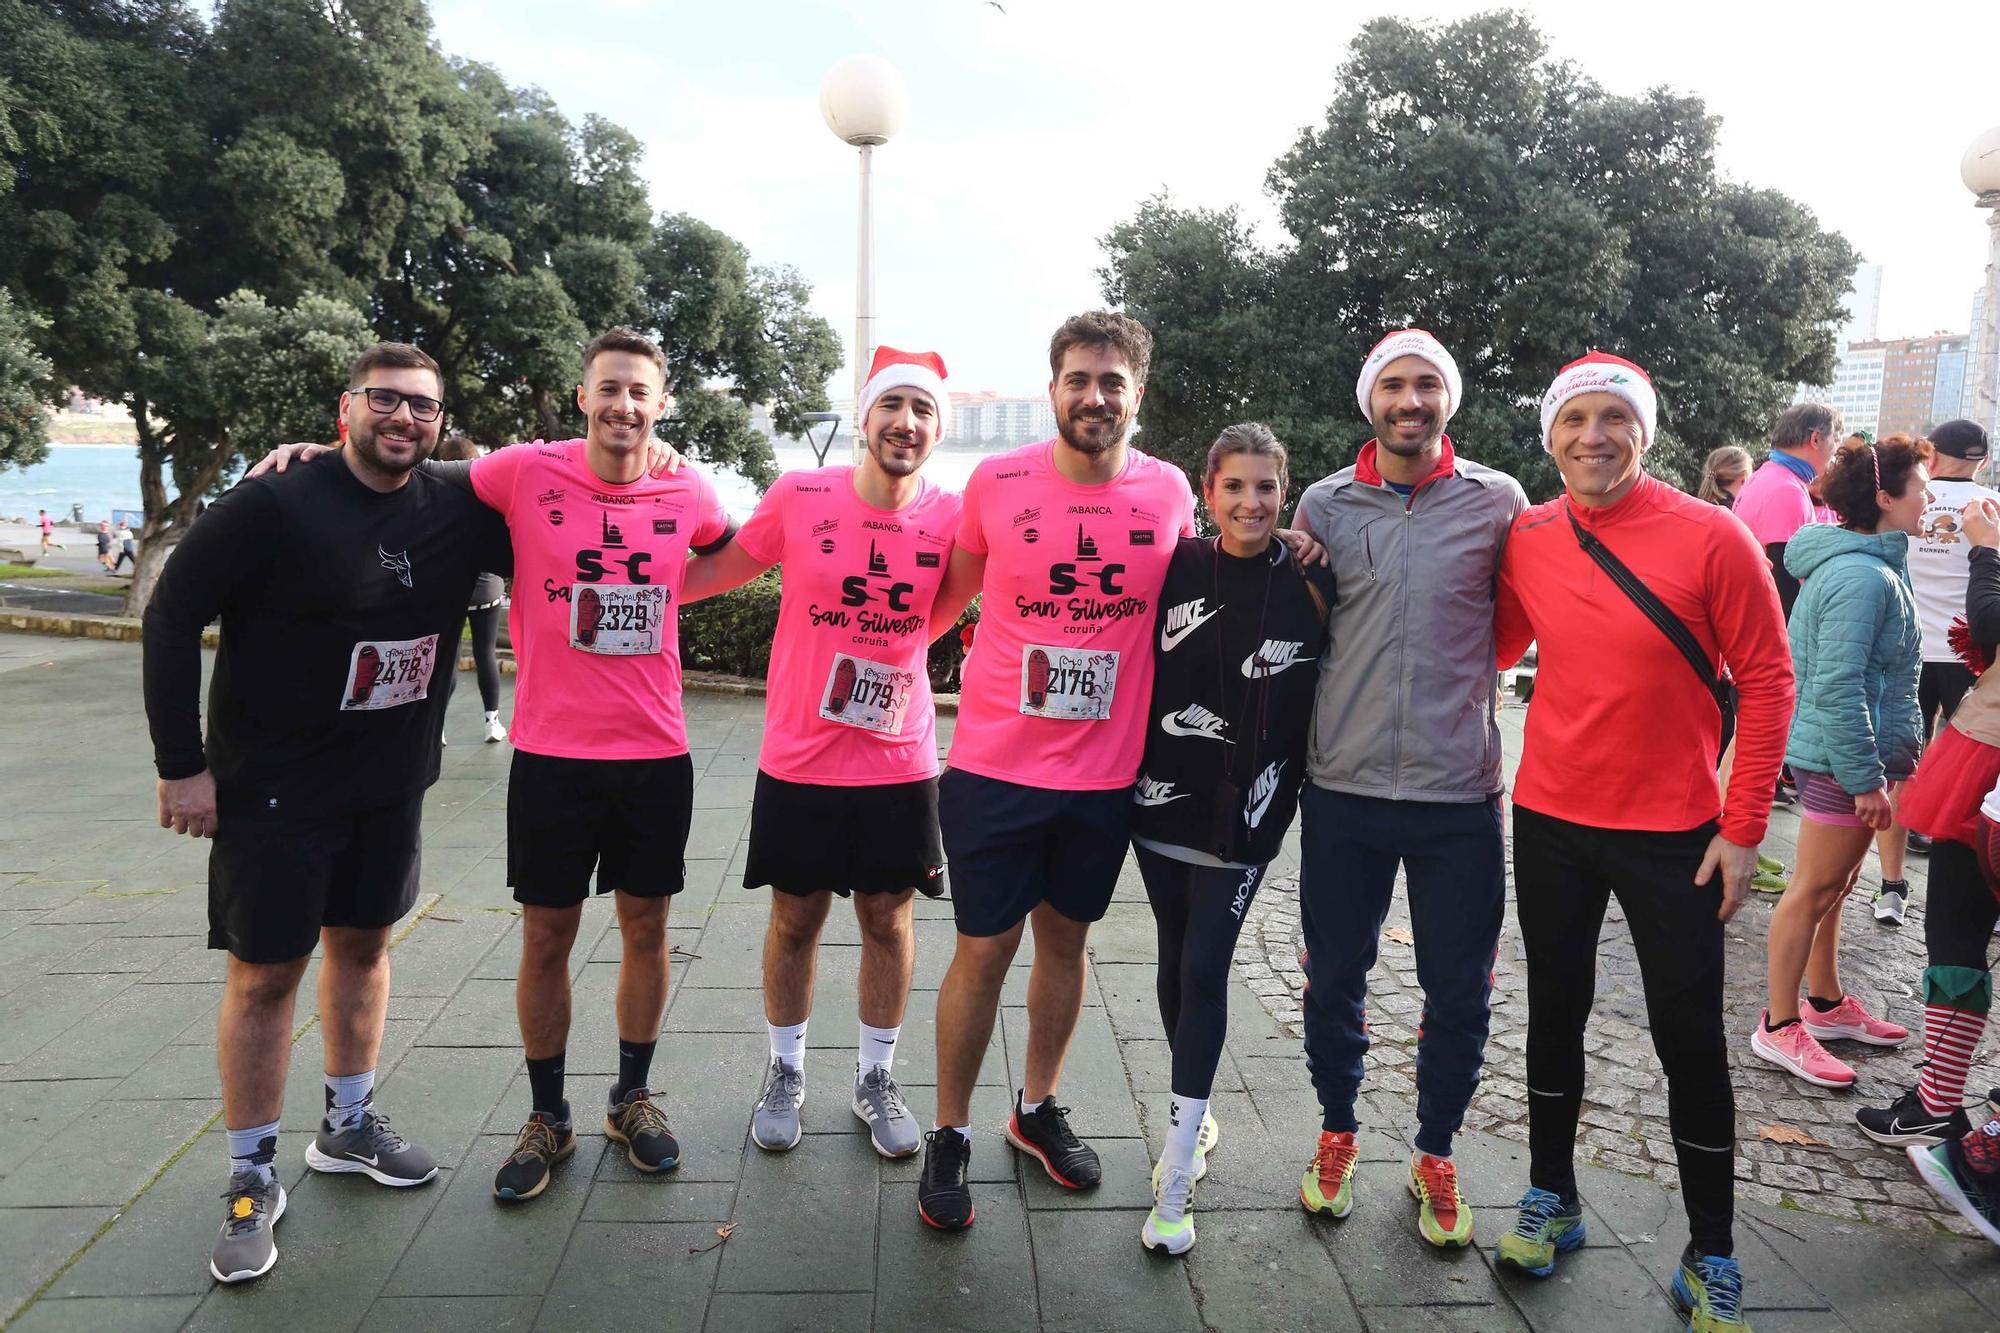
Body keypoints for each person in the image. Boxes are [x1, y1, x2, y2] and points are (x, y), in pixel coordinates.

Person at [246, 329, 708, 1205]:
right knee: (547, 937)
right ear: (583, 396)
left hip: (657, 749)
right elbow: (416, 473)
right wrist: (322, 455)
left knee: (647, 929)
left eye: (641, 392)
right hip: (551, 753)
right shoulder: (525, 469)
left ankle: (631, 1097)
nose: (625, 406)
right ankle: (547, 1115)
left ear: (662, 403)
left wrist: (670, 594)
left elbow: (726, 550)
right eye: (609, 388)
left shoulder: (690, 484)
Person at [143, 342, 511, 1284]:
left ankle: (347, 1125)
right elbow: (172, 615)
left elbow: (577, 495)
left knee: (365, 948)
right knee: (267, 978)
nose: (403, 418)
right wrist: (182, 766)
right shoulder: (273, 501)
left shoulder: (461, 505)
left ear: (440, 421)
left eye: (421, 407)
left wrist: (665, 462)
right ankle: (250, 1173)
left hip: (388, 784)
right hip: (273, 788)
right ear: (345, 407)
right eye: (384, 400)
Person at [1492, 352, 1792, 1331]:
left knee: (1689, 1040)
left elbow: (1766, 677)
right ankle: (1551, 1196)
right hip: (1548, 821)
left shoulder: (1712, 536)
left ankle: (1709, 1248)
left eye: (1611, 417)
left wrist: (1742, 826)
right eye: (1572, 417)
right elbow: (1482, 643)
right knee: (1552, 1012)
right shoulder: (1525, 535)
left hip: (1674, 836)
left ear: (1644, 432)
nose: (1591, 435)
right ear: (1548, 435)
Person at [915, 311, 1197, 1233]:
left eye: (1113, 381)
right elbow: (945, 591)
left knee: (1065, 945)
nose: (1094, 396)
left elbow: (1210, 588)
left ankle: (1035, 1109)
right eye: (1078, 379)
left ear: (1137, 395)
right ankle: (949, 1130)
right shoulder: (995, 481)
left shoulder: (1168, 491)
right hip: (995, 768)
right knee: (985, 950)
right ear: (1053, 388)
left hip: (1106, 776)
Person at [676, 346, 961, 1161]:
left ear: (937, 428)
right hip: (799, 753)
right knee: (795, 915)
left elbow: (944, 610)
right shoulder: (801, 495)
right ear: (864, 417)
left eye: (923, 410)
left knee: (887, 916)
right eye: (892, 406)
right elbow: (721, 568)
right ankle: (785, 1071)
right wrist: (624, 573)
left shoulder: (951, 514)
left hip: (898, 759)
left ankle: (876, 1077)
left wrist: (889, 659)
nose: (906, 422)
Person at [1289, 329, 1526, 1251]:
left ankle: (1436, 1147)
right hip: (1342, 786)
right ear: (1371, 400)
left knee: (1460, 989)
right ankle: (1337, 1130)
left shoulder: (1496, 501)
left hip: (1457, 793)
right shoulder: (1325, 502)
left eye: (1428, 384)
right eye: (1395, 385)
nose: (1411, 400)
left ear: (1448, 400)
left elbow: (1514, 623)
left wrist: (1463, 697)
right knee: (1334, 976)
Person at [1129, 422, 1332, 1255]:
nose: (1252, 502)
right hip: (1160, 800)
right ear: (1208, 490)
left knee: (1207, 965)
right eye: (1236, 486)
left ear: (1285, 492)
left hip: (1250, 813)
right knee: (1174, 963)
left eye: (1267, 487)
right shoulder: (1174, 564)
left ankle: (1175, 1174)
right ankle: (1198, 1111)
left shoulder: (1315, 580)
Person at [1749, 438, 1926, 1089]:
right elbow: (1839, 685)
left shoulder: (1873, 563)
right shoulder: (1860, 575)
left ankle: (1823, 1004)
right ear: (1884, 498)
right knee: (1812, 889)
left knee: (1838, 885)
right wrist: (1866, 780)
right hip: (1841, 760)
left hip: (1850, 756)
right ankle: (1778, 1022)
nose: (1927, 498)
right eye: (1920, 487)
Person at [1856, 492, 2000, 1149]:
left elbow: (1993, 624)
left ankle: (1938, 1102)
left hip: (1987, 762)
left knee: (1956, 932)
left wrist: (1985, 551)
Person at [1879, 419, 2000, 910]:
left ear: (1930, 454)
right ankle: (1976, 890)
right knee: (1976, 774)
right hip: (1967, 654)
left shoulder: (1908, 497)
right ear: (1982, 461)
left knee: (1895, 767)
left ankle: (1890, 887)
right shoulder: (1992, 506)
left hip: (1905, 647)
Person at [1733, 403, 1843, 807]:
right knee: (1753, 744)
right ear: (1816, 438)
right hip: (1764, 638)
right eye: (1832, 441)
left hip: (1751, 632)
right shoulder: (1784, 488)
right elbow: (1781, 578)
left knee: (1746, 743)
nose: (1832, 453)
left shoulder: (1772, 478)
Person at [434, 434, 509, 744]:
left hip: (450, 590)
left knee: (448, 658)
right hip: (488, 589)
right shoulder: (489, 497)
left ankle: (436, 726)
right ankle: (492, 722)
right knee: (485, 653)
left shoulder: (434, 496)